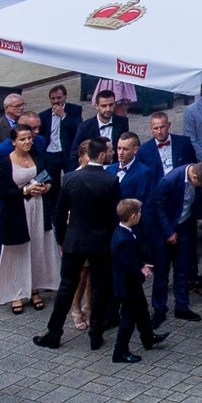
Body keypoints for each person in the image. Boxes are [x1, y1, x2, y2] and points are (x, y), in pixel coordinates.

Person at [35, 138, 120, 350]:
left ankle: (54, 333)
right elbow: (113, 217)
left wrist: (62, 239)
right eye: (108, 153)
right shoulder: (110, 181)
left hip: (75, 240)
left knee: (66, 288)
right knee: (99, 289)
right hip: (100, 242)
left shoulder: (71, 178)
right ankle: (95, 335)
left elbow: (60, 212)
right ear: (101, 156)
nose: (111, 155)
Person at [0, 123, 56, 314]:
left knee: (36, 247)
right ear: (13, 142)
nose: (27, 142)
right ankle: (16, 293)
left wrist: (46, 187)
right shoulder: (5, 161)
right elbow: (3, 190)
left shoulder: (36, 155)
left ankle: (34, 288)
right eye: (23, 139)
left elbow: (47, 176)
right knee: (18, 252)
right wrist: (25, 190)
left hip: (38, 209)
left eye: (29, 138)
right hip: (17, 212)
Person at [144, 160, 202, 324]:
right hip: (164, 230)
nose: (201, 187)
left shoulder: (200, 180)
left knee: (182, 269)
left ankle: (182, 306)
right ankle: (159, 309)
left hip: (184, 226)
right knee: (161, 272)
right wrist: (168, 232)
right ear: (194, 176)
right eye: (200, 184)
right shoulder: (169, 181)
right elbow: (158, 207)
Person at [108, 198, 168, 363]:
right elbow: (126, 264)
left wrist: (141, 264)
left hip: (131, 284)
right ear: (133, 216)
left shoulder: (124, 232)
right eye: (140, 213)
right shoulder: (123, 239)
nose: (141, 215)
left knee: (142, 311)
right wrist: (142, 271)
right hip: (127, 286)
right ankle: (120, 352)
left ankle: (148, 338)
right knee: (128, 319)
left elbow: (129, 259)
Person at [37, 85, 81, 194]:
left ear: (65, 97)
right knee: (52, 185)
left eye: (59, 98)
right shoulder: (43, 115)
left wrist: (63, 115)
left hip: (67, 152)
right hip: (51, 154)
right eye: (53, 99)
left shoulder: (75, 109)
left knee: (71, 182)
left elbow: (78, 128)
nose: (56, 101)